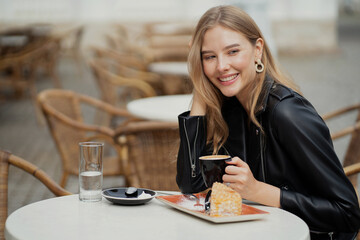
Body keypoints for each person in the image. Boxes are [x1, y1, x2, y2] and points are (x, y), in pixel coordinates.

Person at [176, 5, 360, 240]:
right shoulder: (230, 107)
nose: (221, 65)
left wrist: (259, 191)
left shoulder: (287, 113)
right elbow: (189, 184)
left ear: (257, 50)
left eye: (232, 51)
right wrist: (200, 87)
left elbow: (348, 213)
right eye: (209, 56)